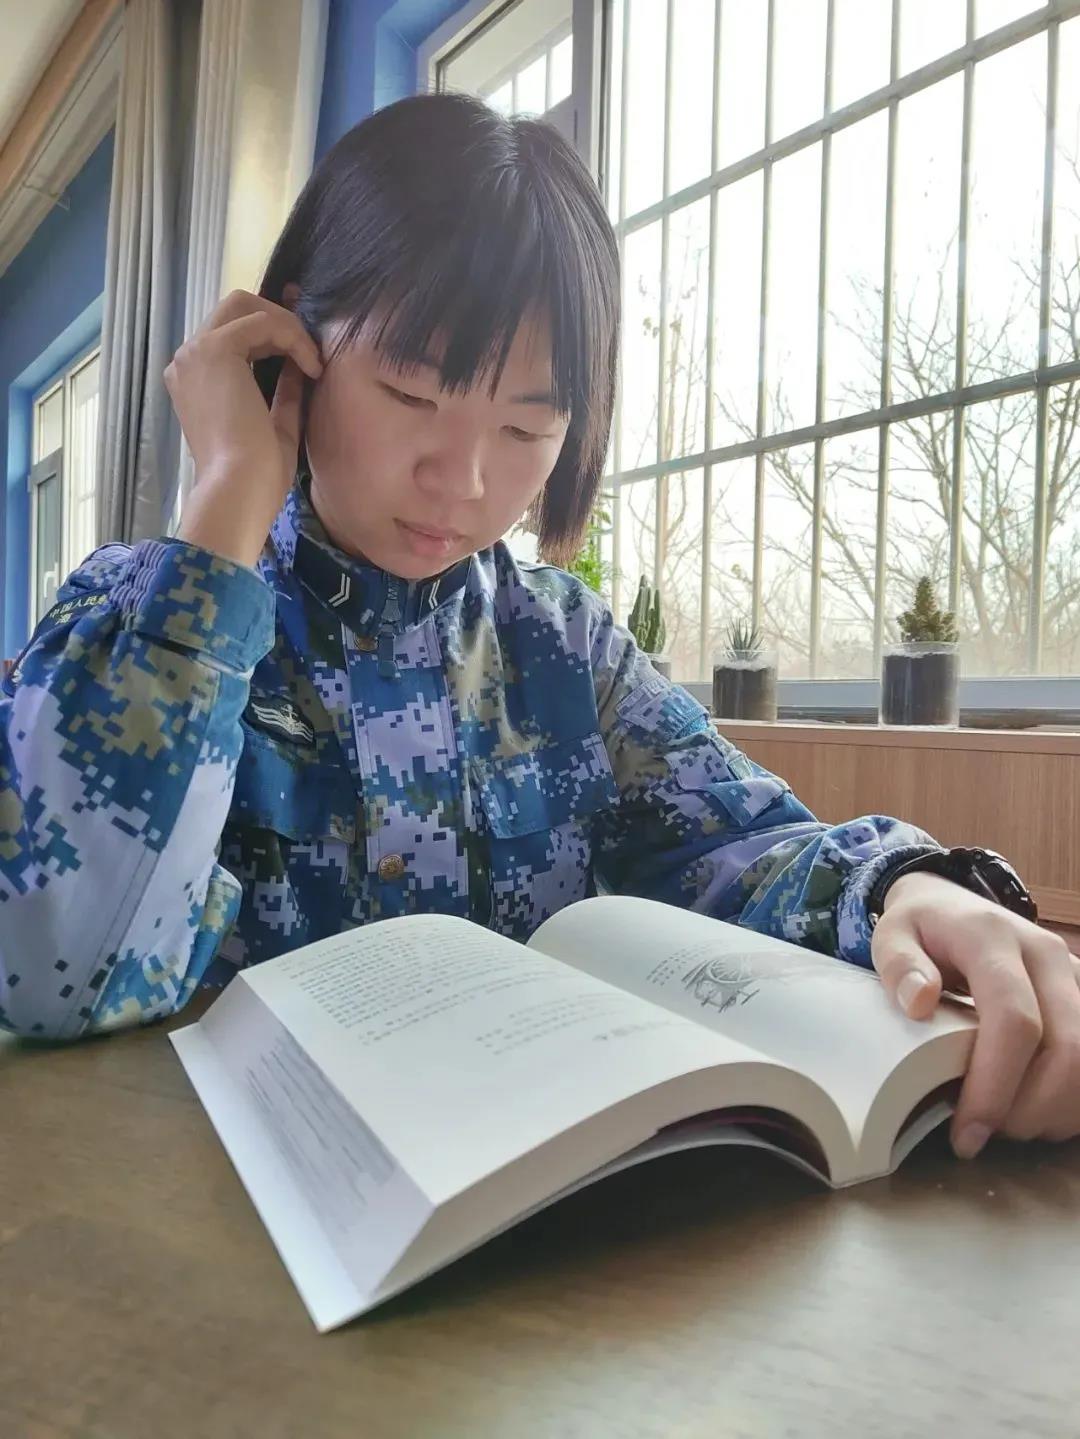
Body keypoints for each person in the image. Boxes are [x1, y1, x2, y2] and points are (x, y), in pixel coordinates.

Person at [1, 94, 1076, 1162]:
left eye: (527, 427)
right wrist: (228, 503)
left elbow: (742, 842)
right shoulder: (137, 617)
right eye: (411, 394)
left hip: (546, 1215)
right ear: (291, 343)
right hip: (221, 1212)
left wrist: (909, 885)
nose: (463, 480)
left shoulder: (565, 645)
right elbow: (52, 973)